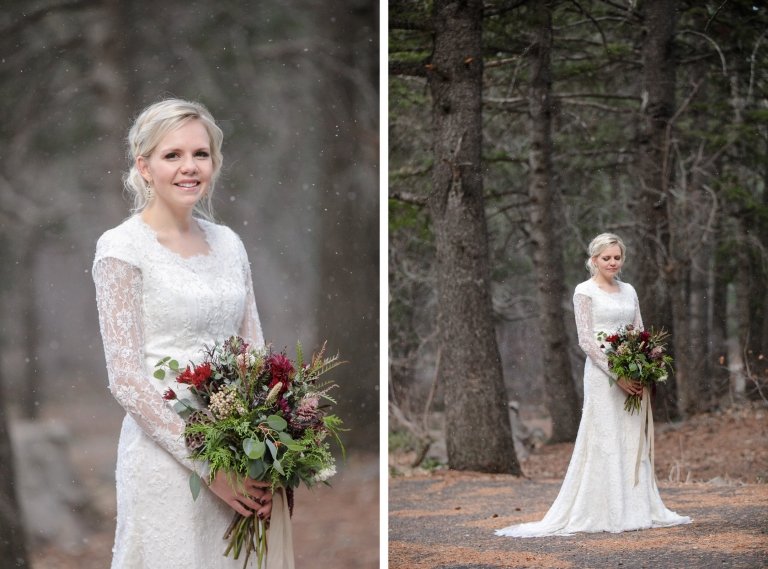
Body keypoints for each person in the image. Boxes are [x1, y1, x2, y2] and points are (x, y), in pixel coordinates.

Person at [93, 99, 292, 567]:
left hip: (241, 445)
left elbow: (255, 352)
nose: (190, 167)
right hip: (165, 457)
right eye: (172, 155)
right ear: (144, 167)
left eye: (201, 154)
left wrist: (272, 439)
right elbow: (125, 379)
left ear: (215, 163)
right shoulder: (121, 249)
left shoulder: (229, 243)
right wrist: (208, 468)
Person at [496, 233, 690, 537]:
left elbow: (639, 331)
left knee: (630, 436)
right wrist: (618, 374)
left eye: (617, 257)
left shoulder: (630, 290)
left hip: (632, 371)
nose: (612, 263)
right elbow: (586, 340)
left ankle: (637, 507)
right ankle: (607, 509)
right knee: (605, 436)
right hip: (603, 375)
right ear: (593, 260)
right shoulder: (584, 291)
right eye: (606, 258)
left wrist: (642, 367)